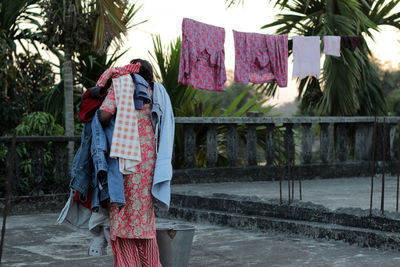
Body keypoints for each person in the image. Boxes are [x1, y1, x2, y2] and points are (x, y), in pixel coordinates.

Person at [98, 59, 163, 266]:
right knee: (144, 220)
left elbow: (104, 115)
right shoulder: (157, 93)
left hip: (125, 159)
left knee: (123, 215)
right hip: (149, 161)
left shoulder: (121, 86)